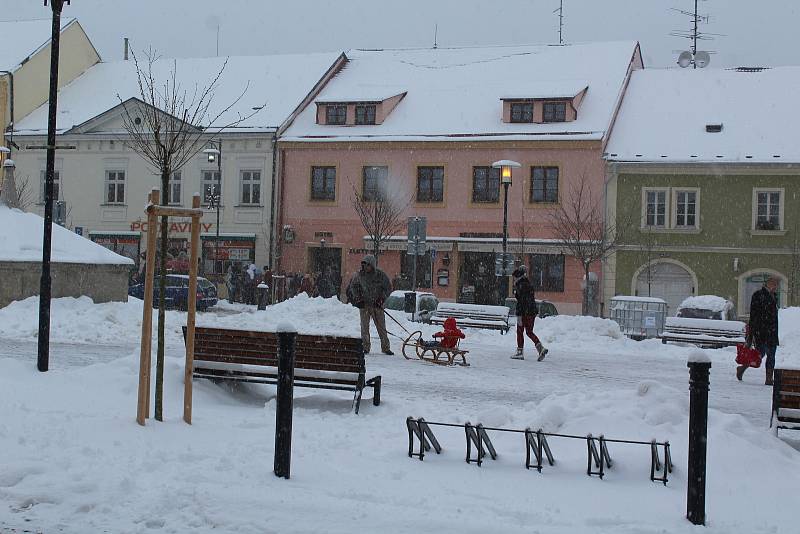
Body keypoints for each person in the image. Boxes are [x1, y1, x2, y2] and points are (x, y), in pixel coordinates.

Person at [346, 255, 393, 355]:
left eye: (367, 265)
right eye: (364, 265)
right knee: (364, 328)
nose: (365, 267)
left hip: (377, 305)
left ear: (372, 265)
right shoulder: (359, 275)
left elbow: (388, 288)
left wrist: (382, 298)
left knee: (381, 327)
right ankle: (365, 347)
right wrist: (358, 298)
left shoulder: (380, 275)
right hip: (365, 305)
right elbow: (353, 286)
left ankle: (385, 347)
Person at [738, 276, 780, 384]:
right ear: (767, 284)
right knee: (759, 353)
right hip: (761, 330)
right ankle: (743, 367)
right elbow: (754, 314)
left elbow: (773, 316)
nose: (776, 286)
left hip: (772, 331)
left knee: (771, 354)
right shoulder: (758, 295)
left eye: (776, 284)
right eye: (774, 284)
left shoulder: (774, 296)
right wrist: (752, 331)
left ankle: (769, 378)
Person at [512, 265, 548, 361]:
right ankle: (540, 348)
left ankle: (520, 352)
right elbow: (529, 299)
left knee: (520, 331)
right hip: (531, 311)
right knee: (529, 332)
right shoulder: (528, 284)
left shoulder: (520, 285)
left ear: (517, 276)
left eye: (514, 278)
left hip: (523, 312)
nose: (514, 280)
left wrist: (516, 294)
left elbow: (521, 300)